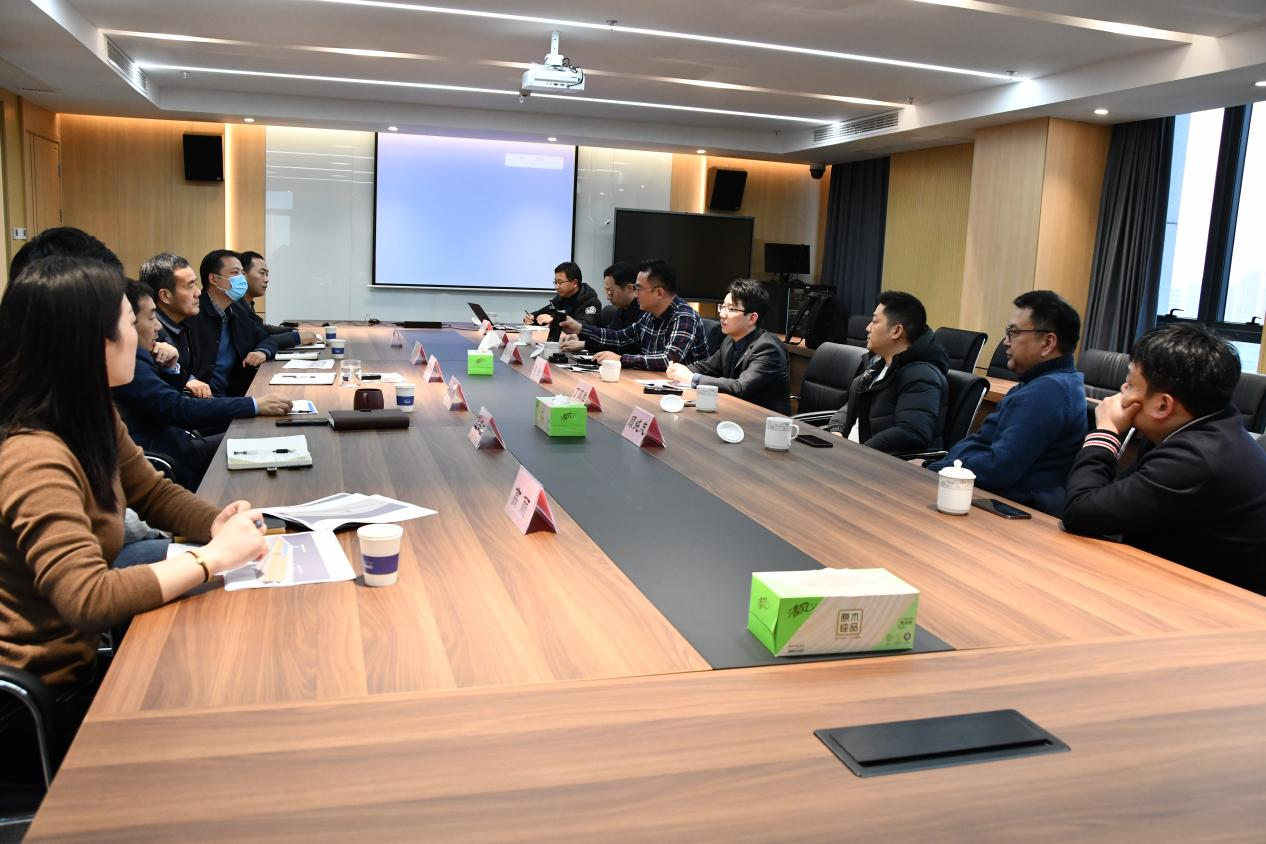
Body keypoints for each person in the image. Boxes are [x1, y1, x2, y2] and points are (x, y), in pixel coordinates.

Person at [0, 255, 268, 727]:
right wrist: (212, 558)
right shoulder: (33, 454)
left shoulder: (91, 415)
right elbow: (87, 598)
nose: (150, 339)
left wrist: (216, 521)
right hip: (40, 706)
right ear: (89, 342)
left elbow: (154, 495)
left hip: (79, 670)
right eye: (131, 323)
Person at [1063, 324, 1266, 592]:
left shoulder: (1196, 457)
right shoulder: (1204, 426)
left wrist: (1106, 431)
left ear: (1162, 405)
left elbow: (1080, 511)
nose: (1122, 391)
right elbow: (1111, 500)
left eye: (1130, 384)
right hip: (1178, 583)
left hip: (1216, 605)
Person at [113, 281, 291, 489]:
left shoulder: (157, 343)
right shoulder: (129, 359)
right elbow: (177, 409)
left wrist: (171, 369)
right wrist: (254, 405)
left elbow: (164, 402)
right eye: (151, 317)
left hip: (182, 439)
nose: (158, 326)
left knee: (262, 433)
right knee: (262, 436)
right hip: (172, 455)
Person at [928, 291, 1086, 516]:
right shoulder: (1039, 383)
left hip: (1016, 512)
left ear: (1048, 342)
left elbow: (997, 468)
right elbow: (981, 443)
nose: (1005, 342)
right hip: (994, 499)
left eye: (1014, 332)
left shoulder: (1047, 392)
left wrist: (937, 469)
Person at [823, 291, 949, 455]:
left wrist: (858, 452)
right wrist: (837, 431)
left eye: (875, 321)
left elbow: (911, 432)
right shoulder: (878, 364)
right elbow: (852, 406)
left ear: (896, 331)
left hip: (878, 462)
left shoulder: (921, 375)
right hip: (852, 454)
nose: (867, 327)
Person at [558, 259, 709, 371]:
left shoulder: (684, 316)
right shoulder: (650, 316)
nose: (636, 294)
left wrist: (621, 359)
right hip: (654, 382)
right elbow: (620, 338)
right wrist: (580, 328)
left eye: (639, 288)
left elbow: (668, 360)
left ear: (659, 293)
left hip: (683, 393)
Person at [665, 279, 790, 414]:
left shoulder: (768, 348)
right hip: (736, 412)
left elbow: (741, 387)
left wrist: (692, 378)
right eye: (723, 307)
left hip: (763, 419)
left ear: (752, 318)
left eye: (731, 309)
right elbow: (705, 368)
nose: (722, 314)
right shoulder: (730, 341)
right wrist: (678, 370)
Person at [186, 249, 281, 397]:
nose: (242, 279)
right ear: (214, 279)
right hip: (205, 398)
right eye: (235, 273)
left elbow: (266, 338)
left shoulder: (235, 310)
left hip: (236, 393)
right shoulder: (193, 313)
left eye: (242, 273)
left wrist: (262, 351)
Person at [143, 252, 214, 399]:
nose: (198, 292)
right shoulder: (152, 335)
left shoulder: (186, 321)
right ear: (165, 296)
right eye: (190, 286)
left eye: (196, 283)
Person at [238, 250, 323, 348]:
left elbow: (260, 328)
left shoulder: (247, 303)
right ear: (243, 275)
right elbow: (253, 340)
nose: (266, 280)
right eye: (262, 273)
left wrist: (292, 331)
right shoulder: (235, 307)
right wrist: (296, 338)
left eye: (267, 274)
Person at [562, 261, 641, 353]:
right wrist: (582, 340)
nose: (608, 297)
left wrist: (580, 330)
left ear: (630, 288)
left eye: (611, 291)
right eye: (606, 291)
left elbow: (632, 346)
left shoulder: (644, 312)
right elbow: (612, 338)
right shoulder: (622, 309)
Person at [524, 261, 602, 326]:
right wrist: (532, 317)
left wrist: (554, 321)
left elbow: (585, 325)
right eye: (555, 282)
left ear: (574, 283)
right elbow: (544, 313)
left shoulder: (591, 302)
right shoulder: (560, 299)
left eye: (560, 282)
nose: (556, 286)